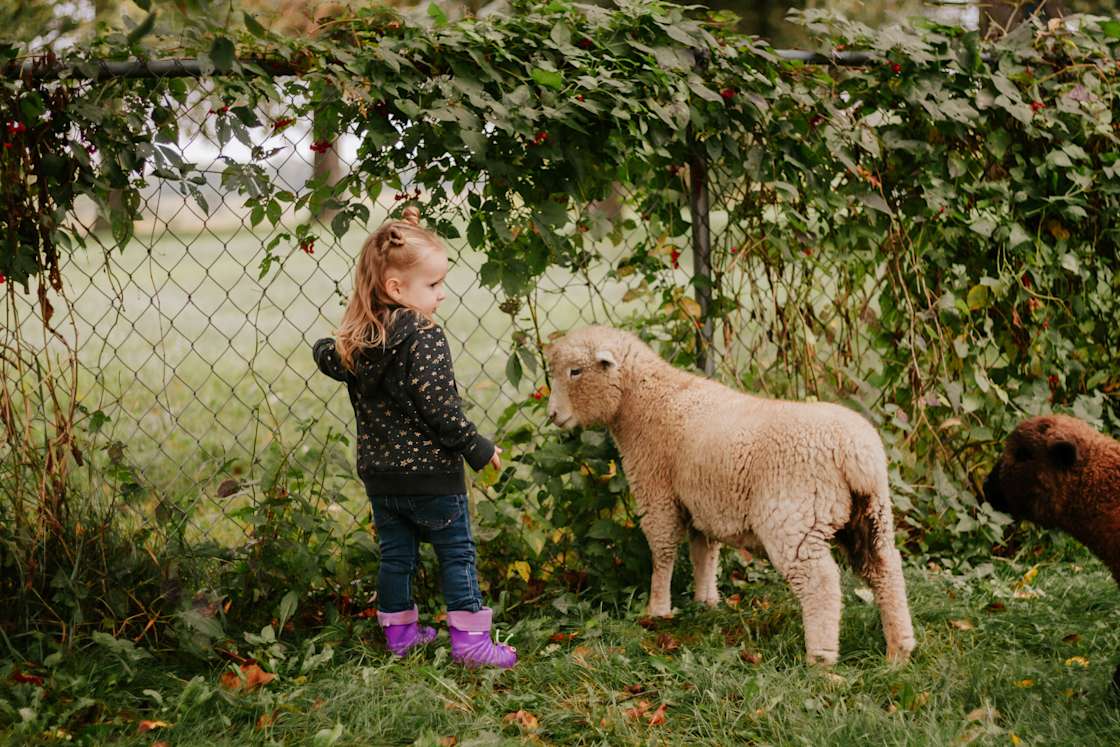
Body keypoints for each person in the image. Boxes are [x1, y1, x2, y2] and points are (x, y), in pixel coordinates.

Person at [312, 206, 516, 668]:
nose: (442, 295)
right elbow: (440, 410)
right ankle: (470, 645)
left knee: (396, 557)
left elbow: (325, 355)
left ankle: (401, 637)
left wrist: (331, 344)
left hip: (382, 478)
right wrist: (477, 448)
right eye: (433, 285)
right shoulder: (423, 334)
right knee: (457, 554)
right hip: (429, 476)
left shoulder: (361, 339)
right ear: (396, 288)